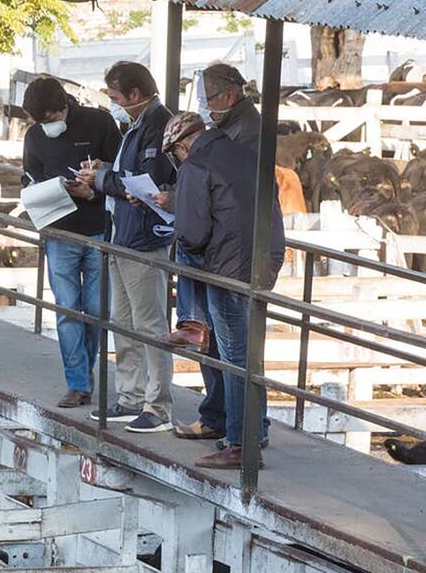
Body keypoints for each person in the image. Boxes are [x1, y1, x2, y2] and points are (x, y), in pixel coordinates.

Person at [163, 111, 286, 468]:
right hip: (263, 263)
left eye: (175, 153)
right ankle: (253, 429)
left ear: (182, 145)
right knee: (249, 353)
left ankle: (240, 444)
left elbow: (192, 234)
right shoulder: (249, 156)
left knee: (235, 358)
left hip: (227, 271)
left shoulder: (195, 166)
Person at [160, 63, 260, 440]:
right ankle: (227, 423)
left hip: (228, 259)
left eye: (208, 98)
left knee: (234, 355)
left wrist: (179, 202)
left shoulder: (239, 136)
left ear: (229, 95)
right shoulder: (236, 132)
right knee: (231, 352)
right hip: (239, 254)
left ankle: (241, 438)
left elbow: (200, 223)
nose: (206, 106)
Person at [76, 62, 175, 433]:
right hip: (121, 234)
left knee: (150, 324)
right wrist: (106, 170)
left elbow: (147, 182)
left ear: (135, 94)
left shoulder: (159, 125)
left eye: (116, 96)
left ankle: (158, 406)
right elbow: (128, 177)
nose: (113, 103)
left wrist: (102, 178)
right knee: (123, 320)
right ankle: (131, 396)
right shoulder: (136, 125)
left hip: (143, 239)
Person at [21, 77, 122, 408]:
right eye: (40, 121)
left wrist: (92, 190)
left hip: (97, 229)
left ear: (63, 106)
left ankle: (85, 373)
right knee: (67, 310)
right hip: (58, 231)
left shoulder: (99, 122)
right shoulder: (34, 136)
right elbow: (29, 176)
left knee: (95, 311)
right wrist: (42, 189)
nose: (46, 125)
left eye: (50, 118)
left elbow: (121, 173)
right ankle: (77, 383)